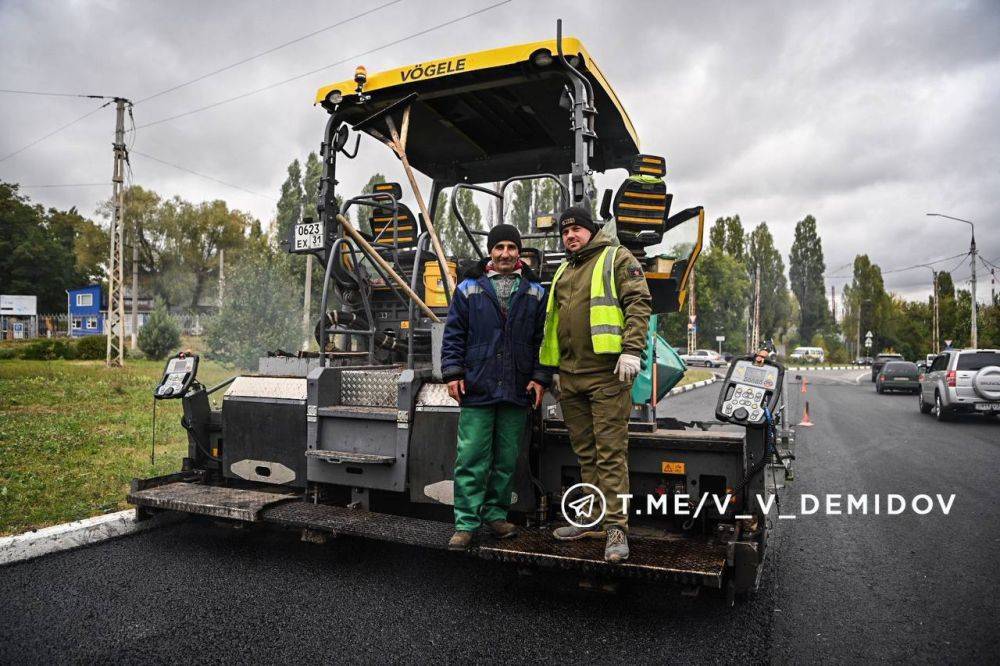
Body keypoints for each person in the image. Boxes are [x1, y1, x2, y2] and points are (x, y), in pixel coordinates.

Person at [539, 206, 652, 562]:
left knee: (609, 454)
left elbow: (638, 302)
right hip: (571, 378)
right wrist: (555, 368)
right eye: (565, 231)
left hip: (606, 376)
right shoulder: (564, 270)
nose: (570, 236)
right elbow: (556, 322)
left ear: (591, 230)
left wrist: (631, 350)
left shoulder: (616, 257)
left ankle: (617, 528)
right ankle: (591, 517)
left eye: (576, 229)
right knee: (586, 453)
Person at [440, 224, 550, 551]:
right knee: (472, 457)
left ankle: (495, 514)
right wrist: (452, 373)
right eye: (499, 247)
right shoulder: (469, 288)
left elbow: (544, 341)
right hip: (477, 386)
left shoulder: (536, 292)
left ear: (519, 252)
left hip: (517, 388)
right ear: (490, 252)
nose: (505, 253)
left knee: (506, 459)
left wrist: (540, 377)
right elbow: (454, 335)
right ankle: (466, 523)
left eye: (511, 248)